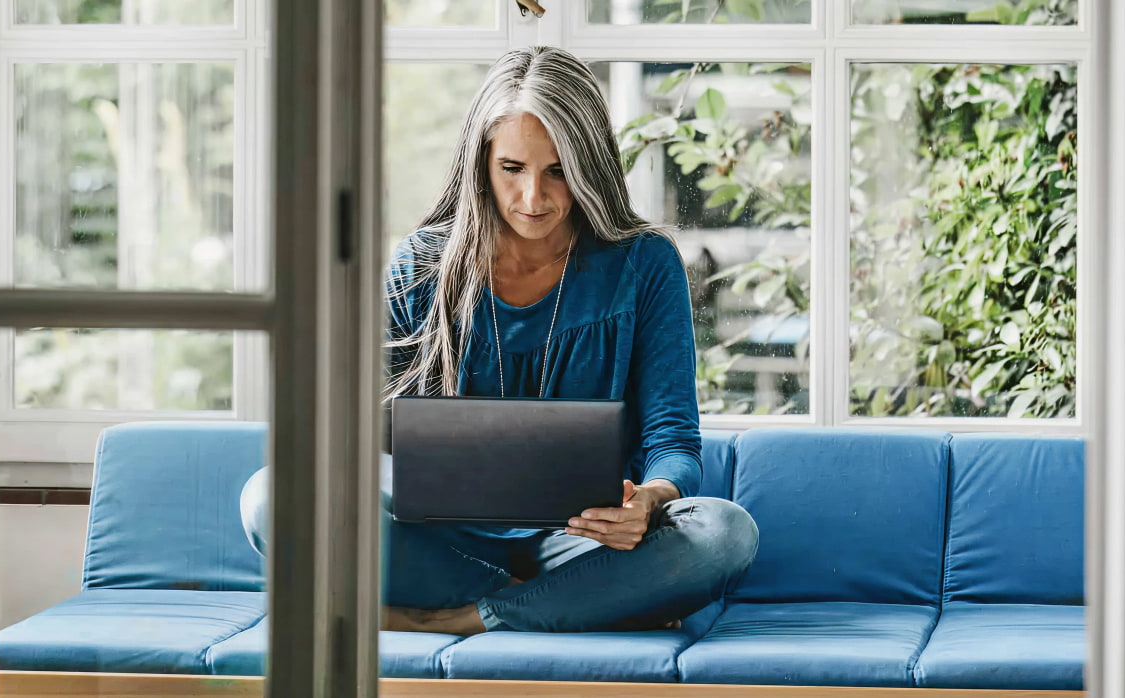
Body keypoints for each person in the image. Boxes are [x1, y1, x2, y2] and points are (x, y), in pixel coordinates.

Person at [243, 45, 758, 635]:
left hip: (584, 544)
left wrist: (650, 499)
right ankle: (564, 604)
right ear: (482, 163)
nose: (533, 198)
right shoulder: (421, 264)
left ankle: (467, 617)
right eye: (512, 169)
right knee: (271, 496)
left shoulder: (645, 264)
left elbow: (674, 439)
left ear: (589, 165)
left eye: (558, 170)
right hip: (440, 544)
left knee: (724, 534)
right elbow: (369, 435)